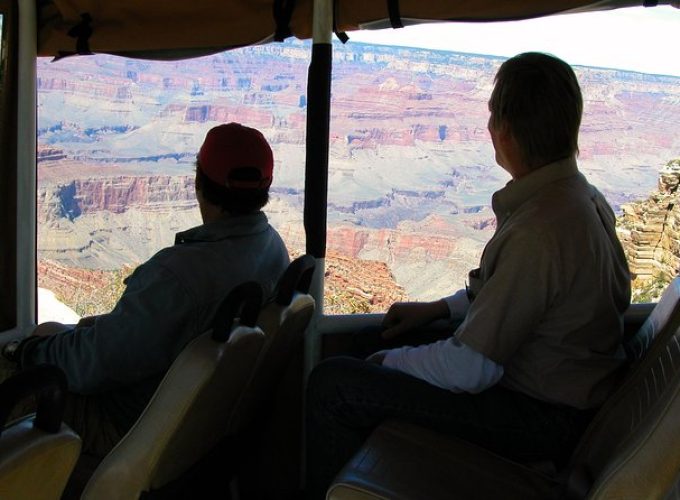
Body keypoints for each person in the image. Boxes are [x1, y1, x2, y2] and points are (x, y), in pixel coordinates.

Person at [305, 52, 631, 499]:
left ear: (505, 131)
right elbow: (514, 296)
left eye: (493, 116)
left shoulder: (543, 228)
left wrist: (388, 365)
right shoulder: (579, 197)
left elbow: (470, 369)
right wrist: (439, 309)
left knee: (334, 385)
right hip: (558, 398)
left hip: (540, 418)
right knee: (368, 341)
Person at [2, 122, 290, 457]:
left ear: (199, 183)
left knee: (11, 372)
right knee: (53, 332)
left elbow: (94, 366)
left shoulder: (178, 276)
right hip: (194, 430)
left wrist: (25, 353)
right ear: (265, 187)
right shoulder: (273, 249)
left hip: (126, 429)